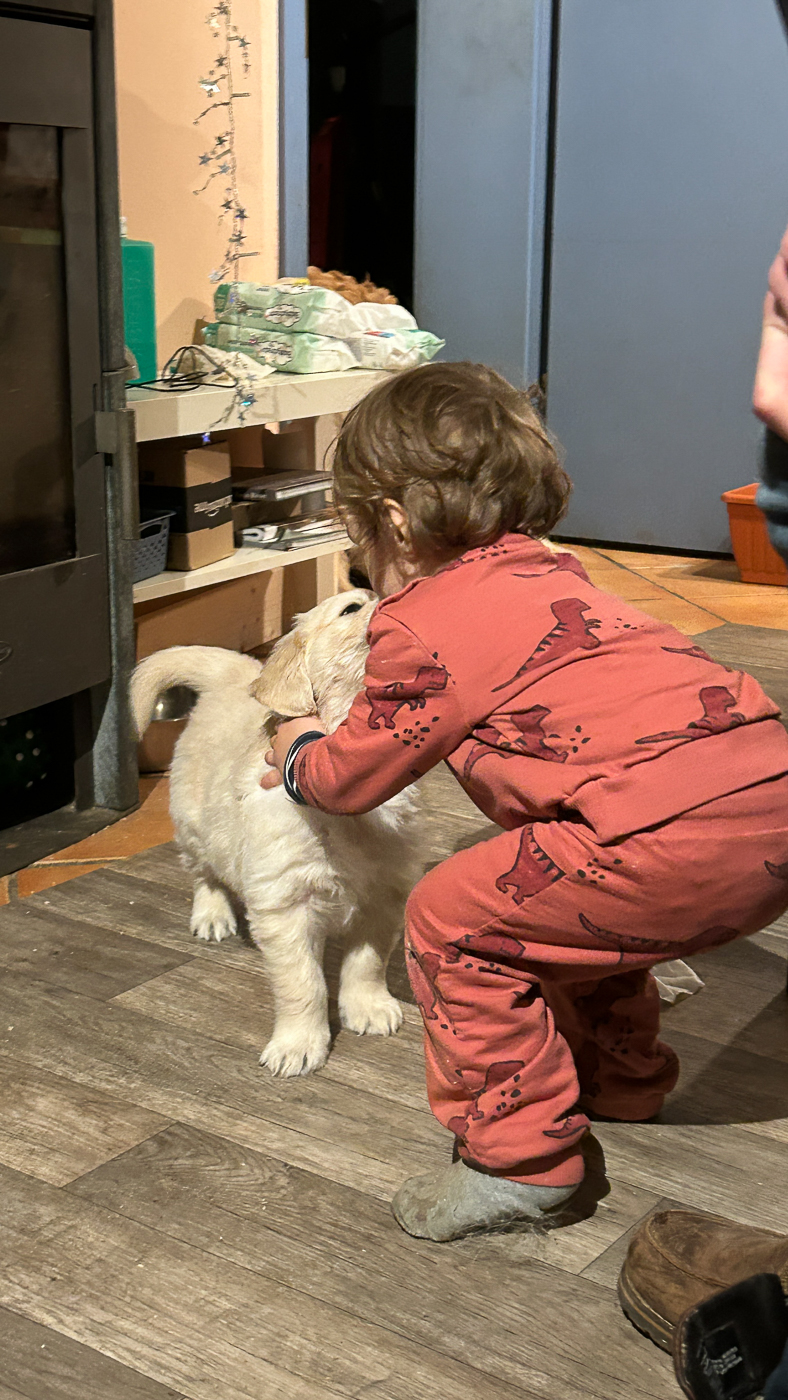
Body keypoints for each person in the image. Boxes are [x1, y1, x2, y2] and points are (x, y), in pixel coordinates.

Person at [261, 361, 788, 1242]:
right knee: (569, 903)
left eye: (356, 538)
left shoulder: (419, 623)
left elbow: (348, 780)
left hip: (661, 836)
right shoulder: (559, 575)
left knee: (452, 918)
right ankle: (624, 1082)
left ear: (392, 521)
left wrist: (293, 744)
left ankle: (520, 1163)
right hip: (768, 798)